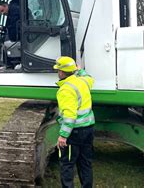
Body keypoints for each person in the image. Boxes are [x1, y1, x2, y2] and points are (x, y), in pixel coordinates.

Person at [53, 56, 95, 188]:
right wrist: (79, 70)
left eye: (58, 70)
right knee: (85, 163)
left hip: (74, 133)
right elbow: (90, 78)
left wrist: (63, 136)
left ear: (61, 72)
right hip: (88, 129)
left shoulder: (65, 89)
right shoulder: (83, 82)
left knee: (67, 165)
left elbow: (69, 116)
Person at [0, 0, 21, 68]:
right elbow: (10, 25)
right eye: (0, 12)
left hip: (21, 36)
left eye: (2, 10)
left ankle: (7, 63)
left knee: (5, 44)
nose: (2, 13)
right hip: (19, 35)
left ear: (6, 6)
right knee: (5, 41)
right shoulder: (12, 11)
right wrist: (2, 28)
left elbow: (13, 25)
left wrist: (5, 29)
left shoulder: (15, 11)